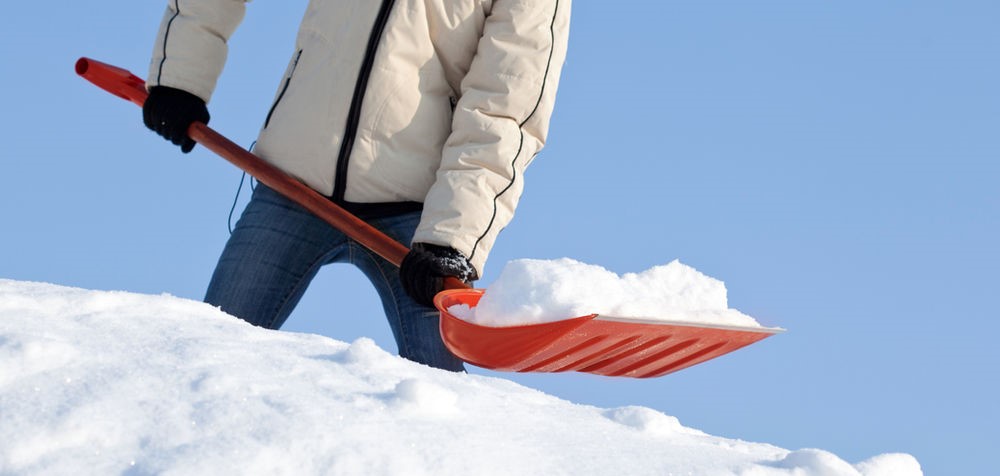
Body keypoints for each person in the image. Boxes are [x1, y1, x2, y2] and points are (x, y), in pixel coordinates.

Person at [142, 0, 571, 371]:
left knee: (441, 401)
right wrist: (180, 76)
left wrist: (452, 241)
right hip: (293, 184)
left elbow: (505, 111)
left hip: (420, 225)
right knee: (206, 359)